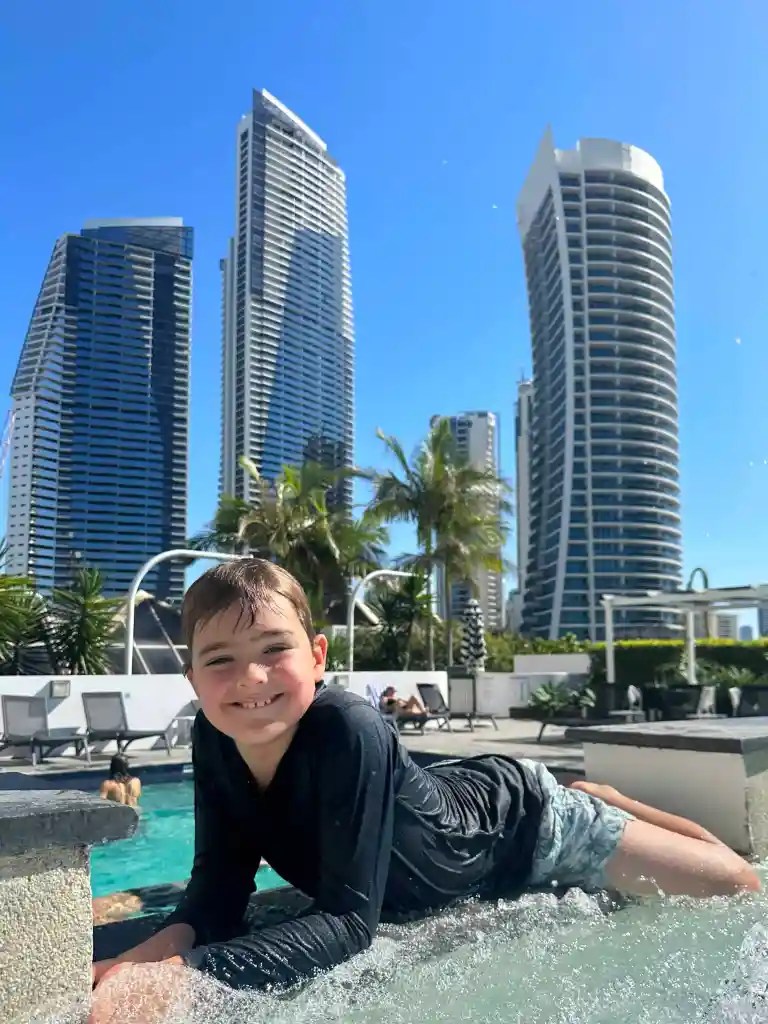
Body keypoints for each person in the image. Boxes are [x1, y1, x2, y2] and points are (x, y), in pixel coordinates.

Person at [90, 559, 759, 1019]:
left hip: (525, 825)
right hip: (440, 805)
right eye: (220, 660)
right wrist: (149, 954)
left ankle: (601, 798)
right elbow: (220, 885)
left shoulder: (348, 726)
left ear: (318, 656)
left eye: (274, 649)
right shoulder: (213, 738)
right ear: (192, 678)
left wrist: (188, 976)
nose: (251, 678)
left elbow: (349, 925)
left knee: (737, 883)